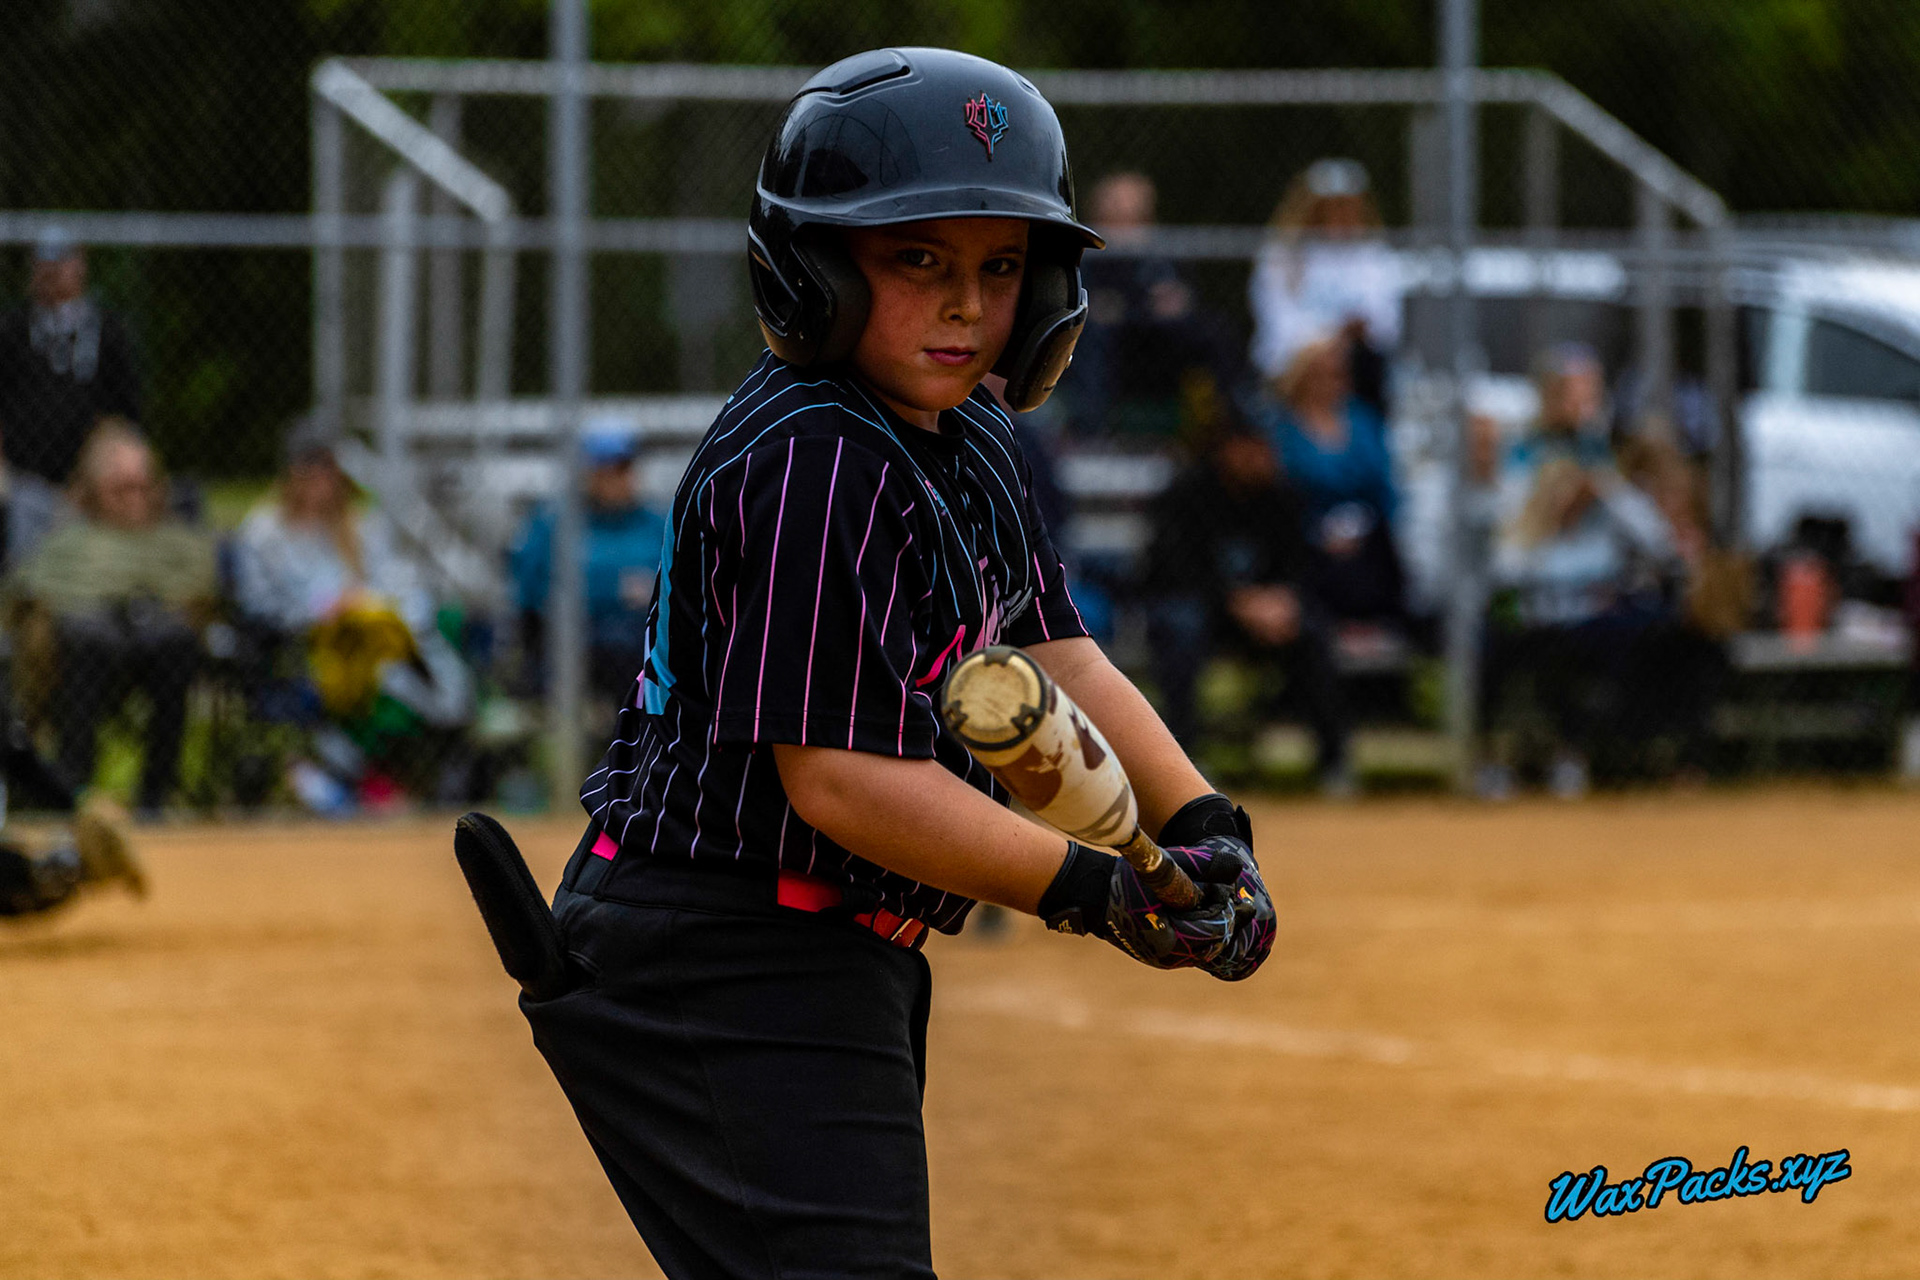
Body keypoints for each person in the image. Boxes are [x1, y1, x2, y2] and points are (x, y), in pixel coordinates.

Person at [515, 49, 1275, 1279]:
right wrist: (1094, 889)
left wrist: (1204, 822)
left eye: (1000, 267)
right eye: (917, 260)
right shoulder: (819, 459)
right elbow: (840, 780)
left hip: (824, 951)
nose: (968, 306)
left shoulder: (970, 433)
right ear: (812, 270)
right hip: (720, 957)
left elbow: (1053, 647)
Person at [231, 421, 473, 810]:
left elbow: (395, 586)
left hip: (372, 644)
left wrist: (362, 602)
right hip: (307, 649)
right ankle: (352, 774)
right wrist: (319, 611)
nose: (320, 477)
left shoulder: (361, 526)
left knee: (424, 637)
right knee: (386, 670)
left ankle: (387, 764)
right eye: (310, 466)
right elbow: (257, 605)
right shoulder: (264, 531)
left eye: (328, 467)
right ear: (291, 472)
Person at [9, 420, 215, 813]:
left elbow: (200, 593)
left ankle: (156, 795)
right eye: (121, 488)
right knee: (88, 638)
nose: (134, 499)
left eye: (143, 486)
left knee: (175, 640)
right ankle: (72, 790)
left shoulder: (177, 540)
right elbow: (31, 594)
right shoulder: (68, 543)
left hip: (156, 654)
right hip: (81, 659)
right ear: (94, 490)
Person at [1143, 417, 1352, 793]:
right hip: (1205, 607)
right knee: (1181, 628)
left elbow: (1300, 565)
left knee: (1314, 630)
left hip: (1268, 612)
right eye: (1252, 448)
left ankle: (1334, 762)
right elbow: (1172, 571)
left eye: (1265, 448)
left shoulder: (1281, 494)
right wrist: (1236, 600)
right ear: (1228, 449)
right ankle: (1185, 762)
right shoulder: (1188, 492)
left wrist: (1285, 599)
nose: (1262, 458)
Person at [1064, 170, 1238, 439]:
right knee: (1093, 334)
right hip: (1114, 347)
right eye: (1117, 205)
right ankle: (1092, 434)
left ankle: (1229, 422)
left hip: (1158, 340)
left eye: (1133, 206)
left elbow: (1180, 295)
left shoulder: (1160, 253)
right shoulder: (1085, 253)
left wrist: (1177, 300)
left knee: (1213, 328)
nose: (1125, 213)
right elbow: (1085, 301)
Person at [508, 419, 667, 699]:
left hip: (641, 638)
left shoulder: (656, 525)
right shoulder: (554, 523)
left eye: (623, 468)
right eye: (605, 469)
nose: (615, 479)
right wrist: (615, 589)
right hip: (575, 635)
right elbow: (530, 591)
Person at [1264, 334, 1407, 630]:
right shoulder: (1281, 427)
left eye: (1339, 372)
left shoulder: (1364, 420)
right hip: (1306, 537)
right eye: (1323, 372)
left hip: (1367, 537)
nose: (1333, 380)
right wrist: (1319, 530)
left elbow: (1384, 486)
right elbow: (1281, 492)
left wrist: (1367, 525)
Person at [1248, 159, 1403, 419]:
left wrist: (1344, 338)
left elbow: (1386, 325)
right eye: (1332, 207)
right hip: (1293, 362)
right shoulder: (1283, 257)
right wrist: (1328, 340)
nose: (1341, 216)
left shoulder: (1375, 258)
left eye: (1348, 207)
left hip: (1355, 363)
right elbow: (1278, 324)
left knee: (1370, 364)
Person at [0, 229, 141, 485]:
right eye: (44, 264)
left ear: (80, 266)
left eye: (60, 263)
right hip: (20, 465)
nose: (51, 272)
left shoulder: (108, 329)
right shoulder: (12, 329)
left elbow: (126, 406)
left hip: (90, 466)